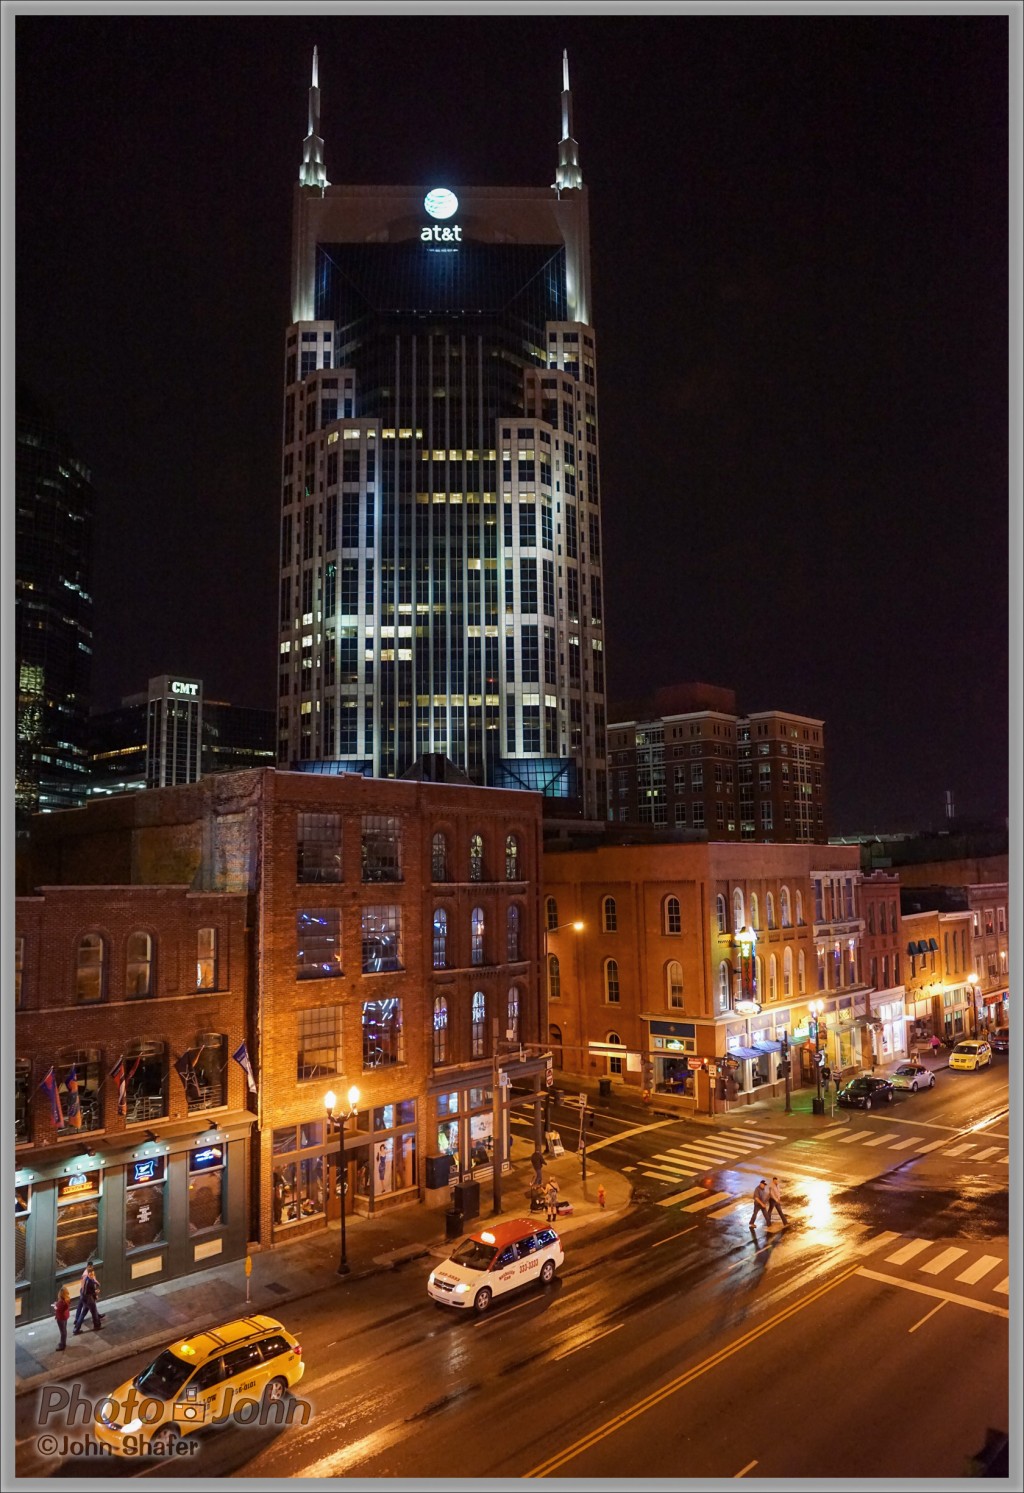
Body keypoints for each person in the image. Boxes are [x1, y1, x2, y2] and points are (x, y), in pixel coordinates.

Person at [73, 1265, 103, 1333]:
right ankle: (97, 1326)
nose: (92, 1275)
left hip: (85, 1299)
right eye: (91, 1274)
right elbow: (87, 1292)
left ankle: (76, 1329)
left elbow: (86, 1290)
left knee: (83, 1313)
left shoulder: (87, 1279)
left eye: (93, 1274)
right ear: (88, 1273)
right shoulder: (88, 1282)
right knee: (94, 1313)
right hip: (89, 1299)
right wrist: (95, 1292)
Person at [53, 1286, 71, 1352]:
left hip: (61, 1318)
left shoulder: (62, 1302)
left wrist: (55, 1306)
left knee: (62, 1331)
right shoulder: (67, 1299)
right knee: (64, 1330)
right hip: (65, 1316)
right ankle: (63, 1343)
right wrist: (57, 1304)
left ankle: (62, 1344)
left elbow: (58, 1310)